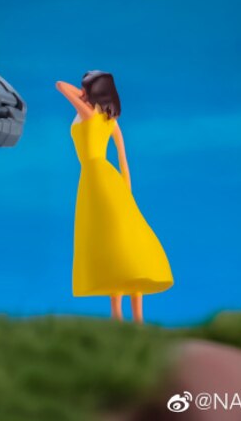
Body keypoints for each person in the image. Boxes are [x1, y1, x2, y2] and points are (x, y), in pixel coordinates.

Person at [56, 71, 173, 323]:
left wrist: (84, 95)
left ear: (92, 91)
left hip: (96, 180)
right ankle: (133, 317)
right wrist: (127, 194)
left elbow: (60, 85)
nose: (80, 91)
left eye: (85, 87)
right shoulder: (110, 120)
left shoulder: (88, 113)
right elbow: (123, 161)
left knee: (110, 244)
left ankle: (120, 315)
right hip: (110, 180)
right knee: (118, 245)